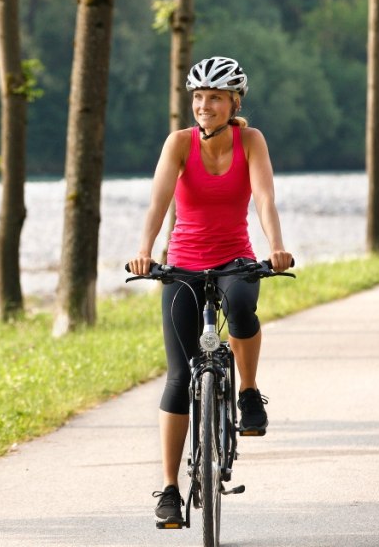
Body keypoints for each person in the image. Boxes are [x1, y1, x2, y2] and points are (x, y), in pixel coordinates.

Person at [127, 56, 293, 526]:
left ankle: (247, 392)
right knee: (179, 376)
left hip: (235, 259)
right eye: (198, 98)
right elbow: (159, 200)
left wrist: (276, 247)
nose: (205, 105)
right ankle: (169, 489)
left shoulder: (251, 141)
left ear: (233, 102)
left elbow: (264, 197)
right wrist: (144, 252)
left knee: (241, 309)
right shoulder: (178, 144)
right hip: (182, 263)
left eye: (215, 98)